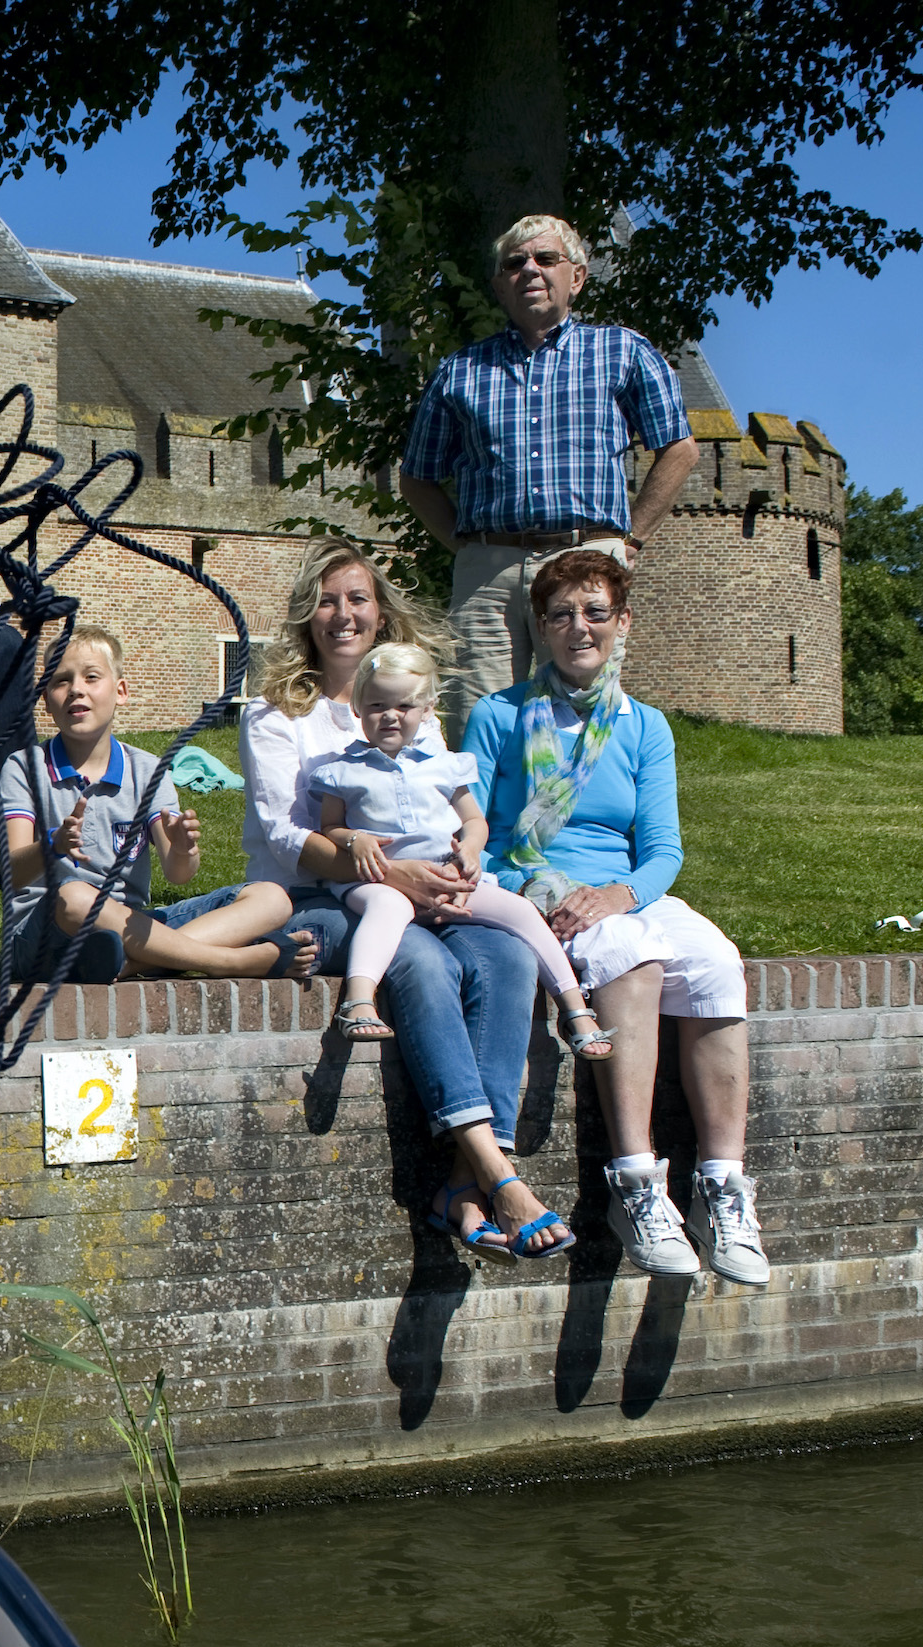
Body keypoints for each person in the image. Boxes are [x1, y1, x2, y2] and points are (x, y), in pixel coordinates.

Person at [238, 539, 573, 1259]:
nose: (343, 615)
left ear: (381, 613)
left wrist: (455, 867)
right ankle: (500, 1177)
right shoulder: (275, 715)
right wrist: (398, 877)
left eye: (358, 599)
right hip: (322, 895)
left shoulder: (416, 706)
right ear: (306, 615)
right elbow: (288, 835)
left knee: (508, 958)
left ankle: (461, 1184)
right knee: (424, 964)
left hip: (425, 887)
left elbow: (451, 812)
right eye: (327, 601)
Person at [465, 549, 769, 1285]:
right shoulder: (498, 716)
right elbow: (473, 834)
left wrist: (618, 895)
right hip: (537, 887)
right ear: (541, 628)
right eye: (561, 614)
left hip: (625, 891)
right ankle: (635, 1184)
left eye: (595, 612)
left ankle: (723, 1189)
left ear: (622, 623)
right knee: (630, 956)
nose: (580, 627)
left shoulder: (645, 726)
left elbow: (663, 849)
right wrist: (538, 889)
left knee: (718, 964)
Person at [400, 215, 700, 739]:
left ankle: (582, 801)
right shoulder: (460, 371)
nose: (530, 270)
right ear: (499, 285)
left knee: (582, 718)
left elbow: (679, 449)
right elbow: (417, 478)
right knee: (480, 723)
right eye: (515, 263)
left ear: (577, 277)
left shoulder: (623, 352)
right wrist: (467, 549)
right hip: (488, 573)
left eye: (546, 259)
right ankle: (490, 802)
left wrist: (632, 539)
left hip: (584, 558)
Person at [310, 640, 613, 1070]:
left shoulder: (445, 765)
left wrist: (470, 848)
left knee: (521, 912)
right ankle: (358, 1002)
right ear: (358, 708)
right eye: (377, 705)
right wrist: (353, 839)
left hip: (448, 877)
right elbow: (330, 827)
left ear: (428, 709)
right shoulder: (343, 770)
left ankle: (575, 1009)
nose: (390, 715)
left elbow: (474, 820)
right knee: (389, 908)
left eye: (404, 705)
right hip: (376, 878)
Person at [0, 625, 319, 986]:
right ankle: (227, 961)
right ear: (45, 699)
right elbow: (13, 873)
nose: (76, 689)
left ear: (120, 691)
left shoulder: (148, 770)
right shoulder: (23, 767)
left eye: (91, 677)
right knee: (74, 896)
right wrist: (53, 846)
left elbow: (178, 874)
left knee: (271, 897)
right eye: (61, 680)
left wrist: (183, 850)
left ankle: (132, 963)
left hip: (129, 926)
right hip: (43, 935)